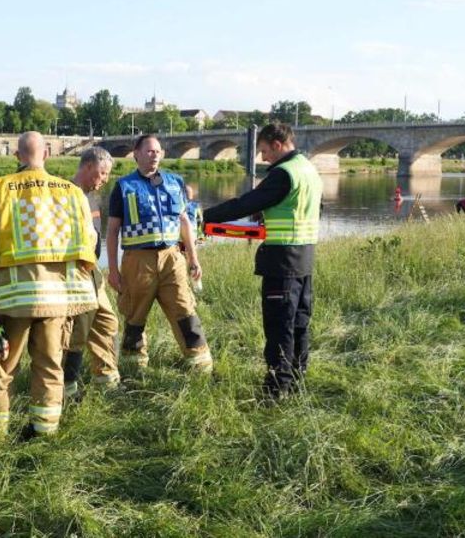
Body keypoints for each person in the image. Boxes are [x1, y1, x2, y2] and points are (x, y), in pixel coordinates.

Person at [0, 131, 98, 438]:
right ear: (47, 155)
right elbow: (90, 240)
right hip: (58, 297)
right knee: (50, 363)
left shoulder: (2, 189)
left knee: (3, 364)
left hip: (16, 297)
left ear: (17, 156)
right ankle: (45, 430)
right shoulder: (72, 192)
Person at [203, 123, 323, 400]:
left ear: (278, 145)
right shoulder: (308, 169)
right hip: (305, 260)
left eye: (265, 151)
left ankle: (275, 391)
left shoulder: (283, 173)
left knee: (279, 327)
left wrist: (204, 217)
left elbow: (245, 203)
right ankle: (295, 382)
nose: (263, 157)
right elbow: (310, 207)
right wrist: (270, 210)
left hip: (282, 263)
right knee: (299, 326)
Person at [105, 134, 212, 373]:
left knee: (184, 310)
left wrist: (193, 258)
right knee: (135, 315)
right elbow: (112, 232)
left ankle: (200, 364)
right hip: (138, 261)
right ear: (137, 154)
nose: (155, 155)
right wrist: (113, 270)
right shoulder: (123, 187)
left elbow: (185, 222)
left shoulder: (175, 182)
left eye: (158, 151)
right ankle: (135, 367)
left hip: (172, 257)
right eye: (150, 151)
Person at [62, 147, 122, 399]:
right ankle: (67, 388)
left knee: (108, 321)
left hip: (93, 272)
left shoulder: (93, 197)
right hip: (73, 273)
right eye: (102, 173)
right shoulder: (64, 194)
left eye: (107, 174)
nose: (105, 179)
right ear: (87, 167)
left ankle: (106, 378)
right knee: (77, 332)